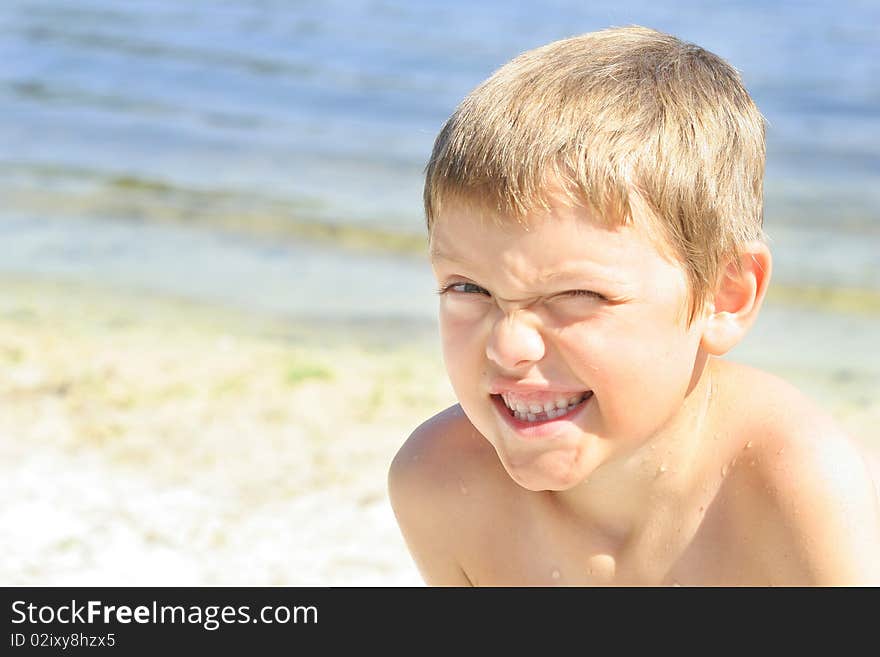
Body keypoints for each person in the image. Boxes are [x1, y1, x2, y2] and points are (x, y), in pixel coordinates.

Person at [387, 26, 880, 586]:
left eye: (578, 295)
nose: (509, 346)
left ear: (725, 295)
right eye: (468, 288)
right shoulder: (441, 485)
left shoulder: (796, 491)